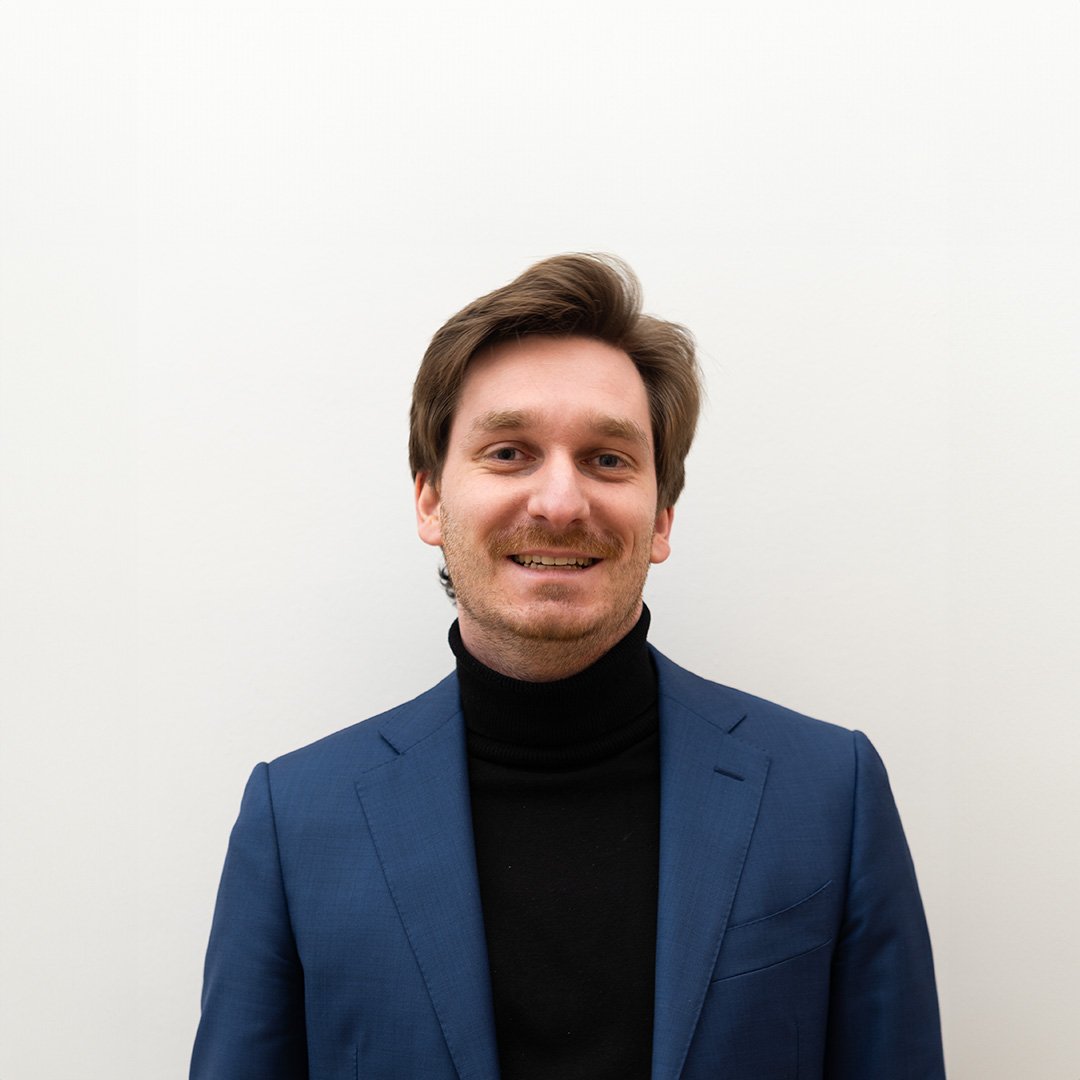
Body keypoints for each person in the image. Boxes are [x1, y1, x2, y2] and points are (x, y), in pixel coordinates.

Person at [190, 254, 945, 1079]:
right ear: (431, 501)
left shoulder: (831, 794)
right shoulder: (295, 821)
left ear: (661, 518)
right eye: (509, 452)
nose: (559, 502)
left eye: (607, 459)